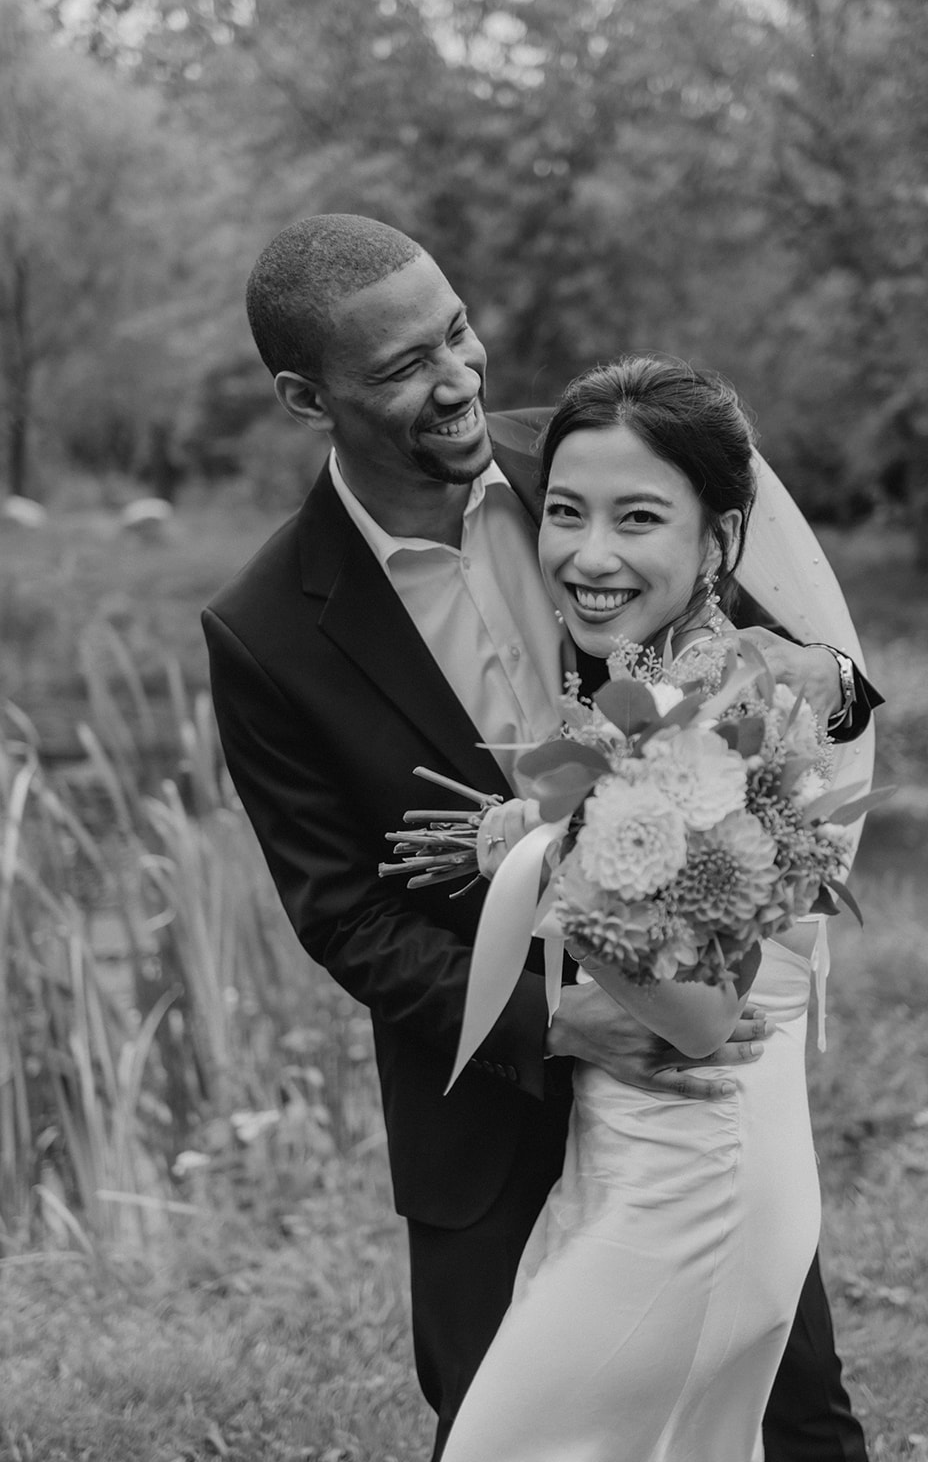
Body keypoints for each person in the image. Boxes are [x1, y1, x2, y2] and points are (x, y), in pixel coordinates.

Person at [202, 214, 878, 1461]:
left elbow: (804, 679)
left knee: (788, 1416)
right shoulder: (263, 630)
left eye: (455, 331)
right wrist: (554, 1018)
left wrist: (810, 673)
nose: (457, 378)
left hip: (695, 1054)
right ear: (308, 397)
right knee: (502, 1425)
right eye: (403, 367)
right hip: (485, 1097)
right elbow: (343, 915)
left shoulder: (590, 463)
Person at [442, 355, 868, 1462]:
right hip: (647, 1150)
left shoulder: (720, 713)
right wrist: (546, 825)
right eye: (566, 513)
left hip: (695, 1172)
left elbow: (696, 1017)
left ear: (718, 540)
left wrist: (531, 863)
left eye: (637, 518)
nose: (587, 554)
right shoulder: (662, 680)